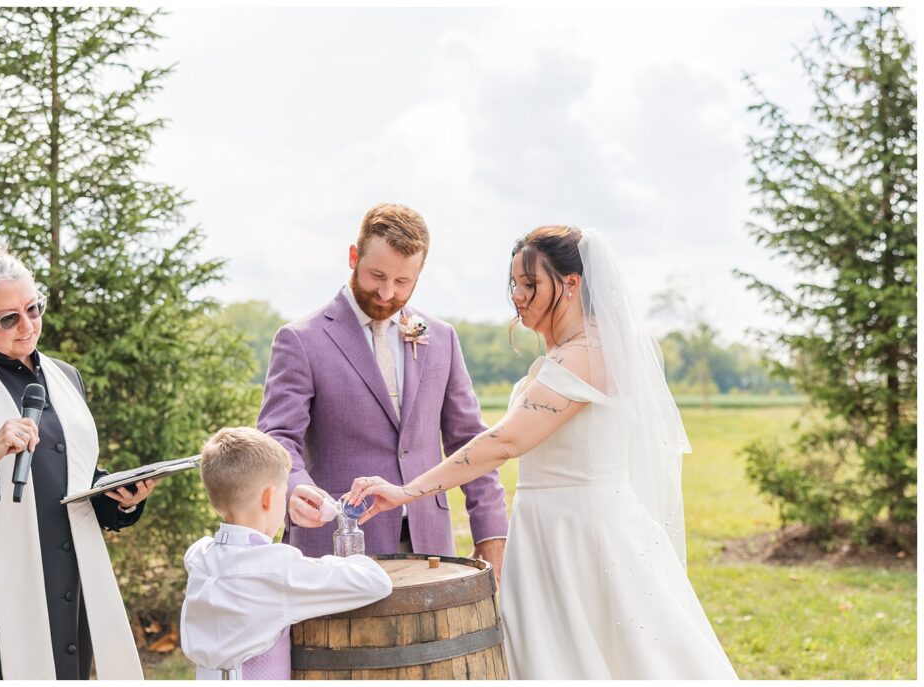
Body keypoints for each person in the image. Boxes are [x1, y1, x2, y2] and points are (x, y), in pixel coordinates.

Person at [346, 226, 739, 679]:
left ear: (571, 284)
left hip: (581, 534)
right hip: (545, 526)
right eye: (514, 283)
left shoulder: (589, 354)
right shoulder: (567, 353)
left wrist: (406, 491)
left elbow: (506, 441)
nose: (517, 295)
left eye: (531, 284)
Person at [0, 244, 155, 680]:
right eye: (9, 318)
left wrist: (119, 498)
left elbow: (71, 477)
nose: (28, 326)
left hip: (61, 590)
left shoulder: (66, 377)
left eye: (33, 309)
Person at [257, 202, 508, 577]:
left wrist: (491, 534)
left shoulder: (441, 338)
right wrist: (295, 490)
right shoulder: (301, 340)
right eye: (377, 275)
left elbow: (469, 442)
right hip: (334, 549)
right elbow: (277, 438)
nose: (387, 294)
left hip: (430, 547)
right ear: (353, 256)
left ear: (420, 274)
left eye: (403, 282)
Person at [180, 426, 392, 679]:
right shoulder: (278, 569)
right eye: (284, 494)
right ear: (269, 498)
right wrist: (344, 553)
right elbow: (376, 583)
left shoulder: (199, 555)